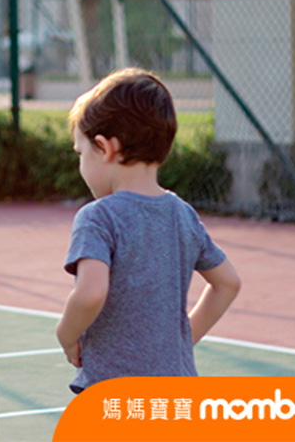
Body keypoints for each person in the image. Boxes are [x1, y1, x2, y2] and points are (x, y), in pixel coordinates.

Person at [55, 68, 242, 393]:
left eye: (81, 153)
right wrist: (183, 342)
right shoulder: (182, 214)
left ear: (104, 147)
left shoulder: (99, 218)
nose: (81, 165)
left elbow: (91, 293)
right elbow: (228, 283)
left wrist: (66, 336)